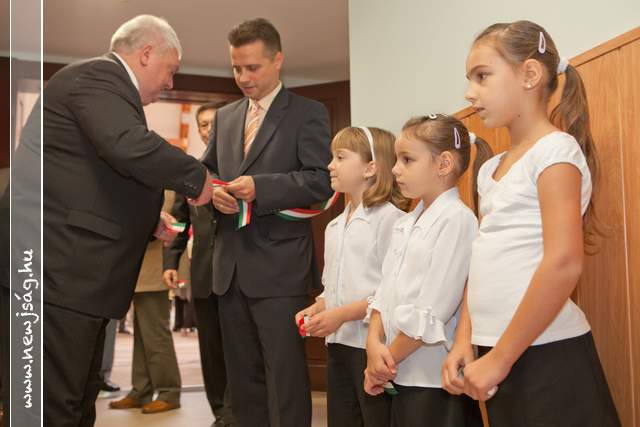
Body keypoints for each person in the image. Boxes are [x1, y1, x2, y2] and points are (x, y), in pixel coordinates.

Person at [441, 20, 620, 426]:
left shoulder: (555, 151)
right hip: (497, 351)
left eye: (482, 76)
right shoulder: (491, 170)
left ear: (530, 74)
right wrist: (464, 339)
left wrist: (500, 359)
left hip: (547, 354)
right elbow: (481, 261)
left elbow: (564, 263)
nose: (470, 92)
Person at [42, 15, 211, 426]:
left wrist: (149, 218)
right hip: (59, 273)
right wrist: (199, 177)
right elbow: (128, 146)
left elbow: (99, 180)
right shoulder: (99, 76)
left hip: (73, 277)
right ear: (147, 53)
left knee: (76, 397)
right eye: (171, 69)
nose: (170, 82)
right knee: (55, 403)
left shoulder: (106, 90)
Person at [200, 18, 332, 427]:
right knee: (243, 382)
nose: (243, 77)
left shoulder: (308, 113)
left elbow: (319, 180)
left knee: (285, 378)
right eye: (236, 68)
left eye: (252, 67)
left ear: (278, 60)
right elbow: (206, 175)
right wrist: (213, 194)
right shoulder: (224, 117)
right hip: (229, 270)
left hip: (280, 270)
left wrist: (262, 187)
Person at [365, 115, 490, 427]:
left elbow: (433, 310)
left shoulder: (457, 220)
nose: (395, 169)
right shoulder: (406, 223)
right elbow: (384, 292)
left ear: (443, 164)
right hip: (399, 371)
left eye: (407, 160)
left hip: (432, 381)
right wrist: (373, 344)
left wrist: (385, 362)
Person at [295, 126, 408, 426]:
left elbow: (390, 292)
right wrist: (319, 307)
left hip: (371, 347)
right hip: (338, 345)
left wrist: (341, 315)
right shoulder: (334, 226)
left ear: (370, 168)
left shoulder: (391, 220)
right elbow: (332, 286)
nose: (330, 165)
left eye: (341, 157)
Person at [164, 101, 235, 427]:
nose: (208, 129)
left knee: (237, 347)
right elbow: (179, 221)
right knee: (210, 349)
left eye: (213, 123)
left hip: (236, 274)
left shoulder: (241, 165)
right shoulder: (190, 170)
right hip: (203, 273)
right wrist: (171, 261)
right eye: (203, 124)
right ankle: (220, 411)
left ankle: (235, 413)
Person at [110, 191, 183, 414]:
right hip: (141, 265)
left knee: (156, 333)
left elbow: (170, 218)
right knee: (142, 333)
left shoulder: (168, 182)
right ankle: (141, 390)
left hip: (159, 265)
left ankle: (169, 391)